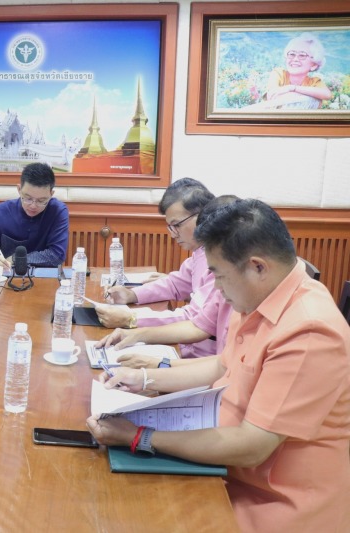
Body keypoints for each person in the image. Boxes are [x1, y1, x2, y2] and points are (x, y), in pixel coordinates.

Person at [87, 199, 350, 532]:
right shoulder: (262, 298)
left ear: (258, 266)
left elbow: (252, 446)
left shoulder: (310, 330)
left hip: (273, 503)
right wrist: (142, 378)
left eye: (220, 278)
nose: (218, 292)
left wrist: (140, 436)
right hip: (225, 470)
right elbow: (223, 367)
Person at [99, 195, 240, 368]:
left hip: (198, 361)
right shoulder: (206, 256)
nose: (173, 234)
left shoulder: (225, 265)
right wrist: (132, 296)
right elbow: (178, 289)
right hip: (196, 361)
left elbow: (195, 323)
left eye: (177, 225)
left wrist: (132, 321)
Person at [0, 162, 69, 269]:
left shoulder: (58, 211)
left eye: (41, 200)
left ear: (51, 194)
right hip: (7, 276)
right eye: (28, 198)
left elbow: (57, 254)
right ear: (19, 190)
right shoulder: (0, 212)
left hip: (44, 278)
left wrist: (17, 259)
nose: (33, 206)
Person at [249, 32, 332, 110]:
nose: (295, 59)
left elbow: (327, 95)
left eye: (302, 55)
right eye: (292, 54)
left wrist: (292, 88)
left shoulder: (314, 81)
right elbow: (272, 95)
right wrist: (311, 94)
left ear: (314, 65)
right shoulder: (279, 73)